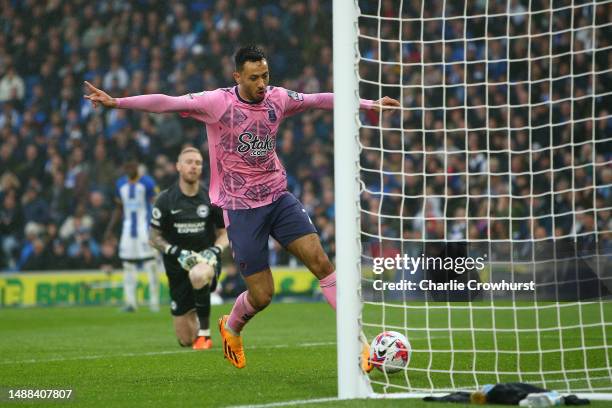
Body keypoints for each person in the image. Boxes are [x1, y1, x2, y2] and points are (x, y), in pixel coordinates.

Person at [83, 45, 400, 369]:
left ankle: (359, 345)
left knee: (320, 262)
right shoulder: (216, 103)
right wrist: (116, 102)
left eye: (265, 76)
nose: (262, 84)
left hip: (278, 197)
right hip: (240, 209)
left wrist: (368, 104)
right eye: (254, 78)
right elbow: (166, 102)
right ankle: (231, 327)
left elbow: (319, 99)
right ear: (238, 77)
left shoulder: (278, 98)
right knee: (262, 295)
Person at [148, 146, 228, 350]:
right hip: (176, 267)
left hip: (205, 261)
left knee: (198, 274)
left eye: (198, 163)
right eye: (189, 162)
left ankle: (205, 336)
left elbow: (225, 233)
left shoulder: (211, 198)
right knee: (185, 339)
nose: (194, 166)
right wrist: (178, 253)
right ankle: (197, 316)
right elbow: (154, 237)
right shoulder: (165, 199)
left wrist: (215, 251)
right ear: (178, 166)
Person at [105, 158, 160, 312]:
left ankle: (154, 303)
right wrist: (110, 228)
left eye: (131, 167)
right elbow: (118, 208)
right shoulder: (120, 184)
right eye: (126, 167)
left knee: (151, 264)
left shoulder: (148, 183)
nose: (129, 170)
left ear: (137, 167)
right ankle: (131, 303)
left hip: (145, 229)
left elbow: (157, 204)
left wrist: (157, 226)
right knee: (128, 265)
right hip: (128, 230)